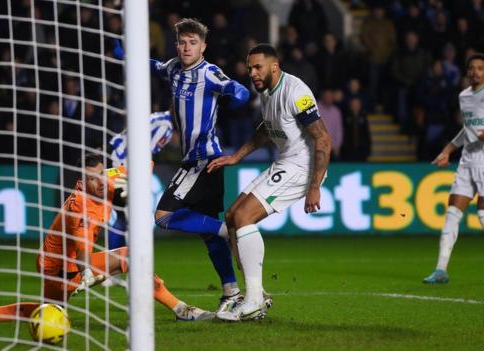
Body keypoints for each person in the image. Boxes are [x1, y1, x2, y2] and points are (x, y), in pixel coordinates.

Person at [0, 152, 214, 322]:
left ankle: (181, 310)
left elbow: (147, 163)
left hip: (57, 260)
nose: (99, 183)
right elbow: (83, 248)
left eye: (101, 174)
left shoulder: (110, 178)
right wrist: (87, 271)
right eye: (91, 179)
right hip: (60, 269)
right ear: (82, 180)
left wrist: (130, 180)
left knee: (130, 259)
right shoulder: (82, 208)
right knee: (49, 314)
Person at [208, 44, 331, 320]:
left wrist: (314, 186)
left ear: (274, 66)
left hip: (302, 168)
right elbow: (266, 129)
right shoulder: (265, 91)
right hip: (285, 162)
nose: (251, 73)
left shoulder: (296, 93)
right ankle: (257, 295)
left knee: (244, 217)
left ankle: (252, 301)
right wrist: (237, 156)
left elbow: (323, 138)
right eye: (249, 67)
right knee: (231, 218)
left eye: (257, 67)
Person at [149, 18, 251, 313]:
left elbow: (237, 89)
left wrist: (238, 96)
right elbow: (154, 65)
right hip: (202, 162)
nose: (186, 47)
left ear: (204, 46)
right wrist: (124, 56)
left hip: (203, 161)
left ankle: (225, 228)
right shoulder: (173, 68)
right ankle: (231, 290)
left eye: (193, 42)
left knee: (164, 216)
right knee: (207, 235)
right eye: (182, 42)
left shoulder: (209, 72)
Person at [423, 53, 484, 284]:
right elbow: (467, 130)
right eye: (472, 68)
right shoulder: (464, 96)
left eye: (480, 68)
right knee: (451, 214)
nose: (476, 72)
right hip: (467, 162)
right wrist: (448, 150)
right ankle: (440, 270)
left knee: (482, 215)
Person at [107, 110, 174, 250]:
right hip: (122, 164)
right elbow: (144, 152)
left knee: (122, 217)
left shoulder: (159, 117)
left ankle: (116, 263)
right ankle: (119, 263)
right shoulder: (165, 125)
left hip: (114, 157)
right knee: (126, 218)